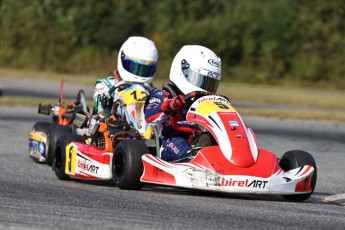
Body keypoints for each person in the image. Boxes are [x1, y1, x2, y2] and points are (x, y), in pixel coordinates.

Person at [144, 45, 222, 162]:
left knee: (212, 138)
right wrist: (168, 106)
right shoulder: (163, 95)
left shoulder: (204, 103)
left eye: (210, 83)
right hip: (167, 142)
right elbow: (150, 116)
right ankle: (191, 158)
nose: (205, 89)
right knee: (178, 142)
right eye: (201, 80)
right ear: (183, 72)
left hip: (196, 139)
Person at [93, 36, 158, 117]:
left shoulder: (155, 94)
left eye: (145, 70)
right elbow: (101, 113)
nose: (138, 74)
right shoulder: (107, 85)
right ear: (122, 59)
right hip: (115, 126)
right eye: (133, 67)